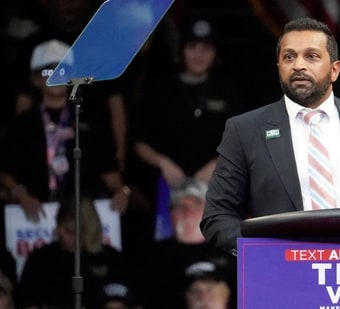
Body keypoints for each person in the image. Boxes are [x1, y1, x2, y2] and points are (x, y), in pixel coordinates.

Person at [200, 17, 340, 255]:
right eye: (289, 57)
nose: (298, 65)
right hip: (282, 276)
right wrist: (262, 253)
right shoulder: (245, 130)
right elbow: (218, 216)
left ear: (335, 70)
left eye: (312, 56)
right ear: (279, 67)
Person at [132, 17, 242, 240]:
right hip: (166, 191)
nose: (199, 55)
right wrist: (163, 163)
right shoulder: (159, 91)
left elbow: (242, 142)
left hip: (216, 190)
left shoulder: (229, 91)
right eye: (192, 47)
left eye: (206, 48)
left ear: (215, 53)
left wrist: (217, 164)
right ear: (182, 51)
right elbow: (138, 141)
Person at [0, 39, 129, 224]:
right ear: (35, 79)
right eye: (48, 70)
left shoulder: (89, 121)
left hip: (83, 217)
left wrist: (121, 192)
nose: (56, 76)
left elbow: (109, 170)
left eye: (63, 70)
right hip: (34, 219)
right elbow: (5, 172)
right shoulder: (21, 124)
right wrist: (20, 195)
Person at [18, 196, 133, 309]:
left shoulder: (111, 258)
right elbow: (27, 302)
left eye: (82, 232)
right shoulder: (40, 259)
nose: (76, 238)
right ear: (58, 226)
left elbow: (123, 302)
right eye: (69, 232)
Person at [141, 179, 235, 309]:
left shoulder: (231, 251)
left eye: (196, 205)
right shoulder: (151, 257)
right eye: (180, 206)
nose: (188, 212)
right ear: (170, 213)